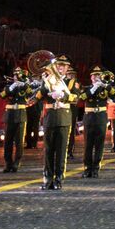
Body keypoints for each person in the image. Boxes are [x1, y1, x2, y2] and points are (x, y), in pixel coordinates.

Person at [39, 56, 78, 190]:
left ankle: (58, 178)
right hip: (50, 117)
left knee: (61, 150)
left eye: (63, 66)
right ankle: (47, 178)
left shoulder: (71, 82)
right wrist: (44, 83)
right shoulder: (49, 80)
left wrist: (63, 96)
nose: (60, 67)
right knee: (48, 150)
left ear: (67, 68)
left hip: (63, 117)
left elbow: (75, 98)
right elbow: (39, 96)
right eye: (58, 65)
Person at [2, 67, 37, 173]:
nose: (16, 77)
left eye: (18, 75)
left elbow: (31, 94)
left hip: (21, 115)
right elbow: (2, 95)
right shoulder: (9, 86)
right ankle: (8, 163)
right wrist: (12, 86)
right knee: (7, 141)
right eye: (15, 75)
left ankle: (17, 162)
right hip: (10, 115)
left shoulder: (24, 87)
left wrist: (25, 85)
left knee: (19, 141)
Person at [81, 68, 113, 178]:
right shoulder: (87, 88)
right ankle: (87, 168)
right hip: (89, 118)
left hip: (101, 118)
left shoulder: (104, 89)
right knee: (88, 145)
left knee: (99, 144)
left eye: (98, 76)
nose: (96, 78)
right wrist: (94, 88)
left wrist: (106, 86)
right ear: (91, 78)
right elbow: (82, 98)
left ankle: (96, 168)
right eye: (94, 76)